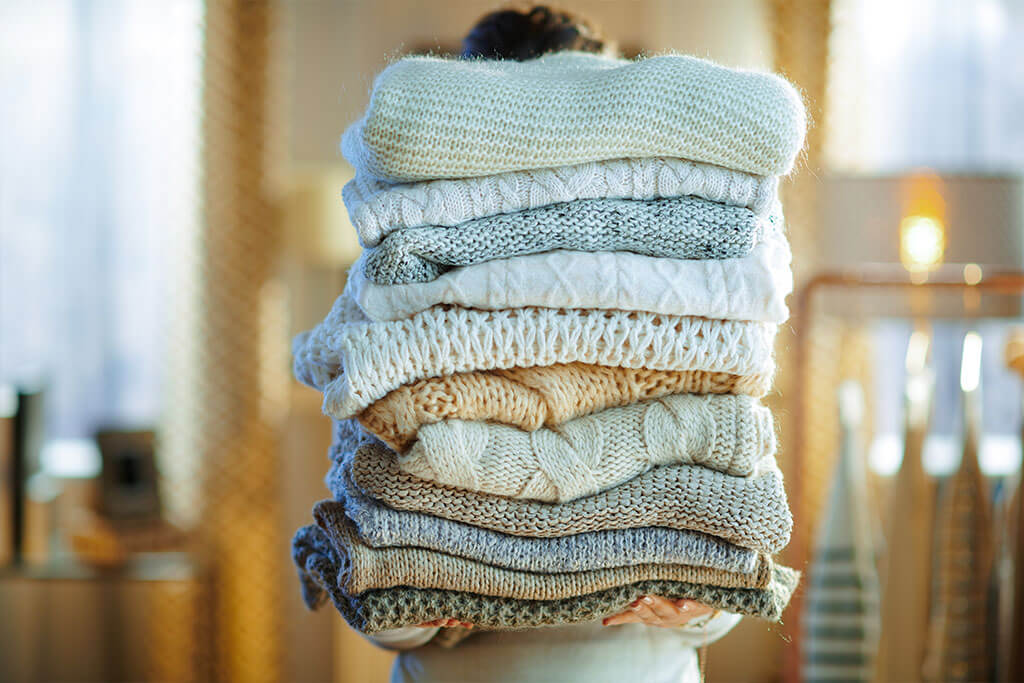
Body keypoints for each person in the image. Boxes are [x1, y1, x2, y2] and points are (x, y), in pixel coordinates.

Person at [364, 6, 743, 681]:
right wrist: (426, 589)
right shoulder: (412, 304)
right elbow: (378, 580)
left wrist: (698, 602)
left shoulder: (683, 311)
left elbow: (733, 543)